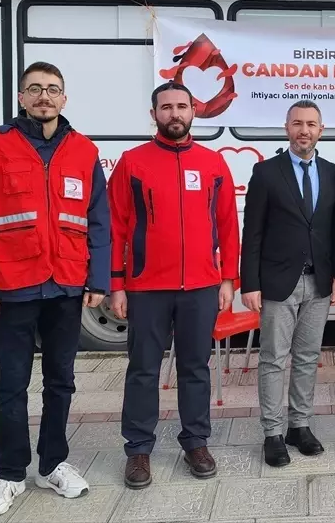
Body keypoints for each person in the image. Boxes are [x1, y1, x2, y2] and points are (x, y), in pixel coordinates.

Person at [0, 61, 108, 516]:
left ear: (64, 98)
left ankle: (53, 464)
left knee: (61, 382)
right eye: (35, 89)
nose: (45, 96)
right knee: (12, 384)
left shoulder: (83, 150)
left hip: (65, 284)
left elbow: (98, 221)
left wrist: (98, 278)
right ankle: (9, 473)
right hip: (13, 285)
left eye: (53, 89)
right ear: (21, 97)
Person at [108, 81, 240, 488]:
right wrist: (116, 283)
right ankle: (138, 450)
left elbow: (227, 225)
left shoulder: (213, 163)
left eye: (181, 106)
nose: (175, 114)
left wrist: (228, 278)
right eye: (166, 107)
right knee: (143, 370)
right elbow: (115, 228)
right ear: (154, 115)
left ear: (193, 112)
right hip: (146, 287)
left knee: (195, 368)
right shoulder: (132, 162)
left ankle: (196, 441)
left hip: (201, 286)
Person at [240, 101, 335, 467]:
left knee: (307, 358)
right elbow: (252, 232)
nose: (304, 130)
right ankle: (272, 432)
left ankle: (299, 426)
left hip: (318, 282)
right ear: (286, 128)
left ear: (322, 130)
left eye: (311, 124)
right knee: (273, 359)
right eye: (297, 124)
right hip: (277, 283)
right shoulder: (267, 172)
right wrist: (250, 283)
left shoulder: (333, 173)